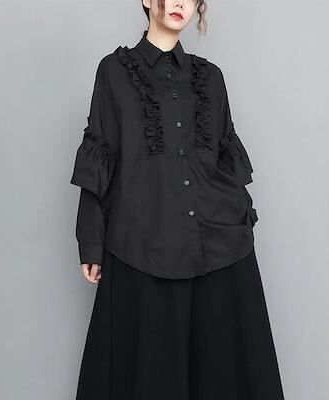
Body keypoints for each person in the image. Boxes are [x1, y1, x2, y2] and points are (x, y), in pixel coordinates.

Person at [69, 0, 285, 398]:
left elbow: (225, 159)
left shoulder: (211, 77)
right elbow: (101, 153)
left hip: (217, 246)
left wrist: (242, 219)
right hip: (142, 244)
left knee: (220, 375)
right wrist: (91, 240)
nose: (181, 3)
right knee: (149, 376)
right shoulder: (114, 71)